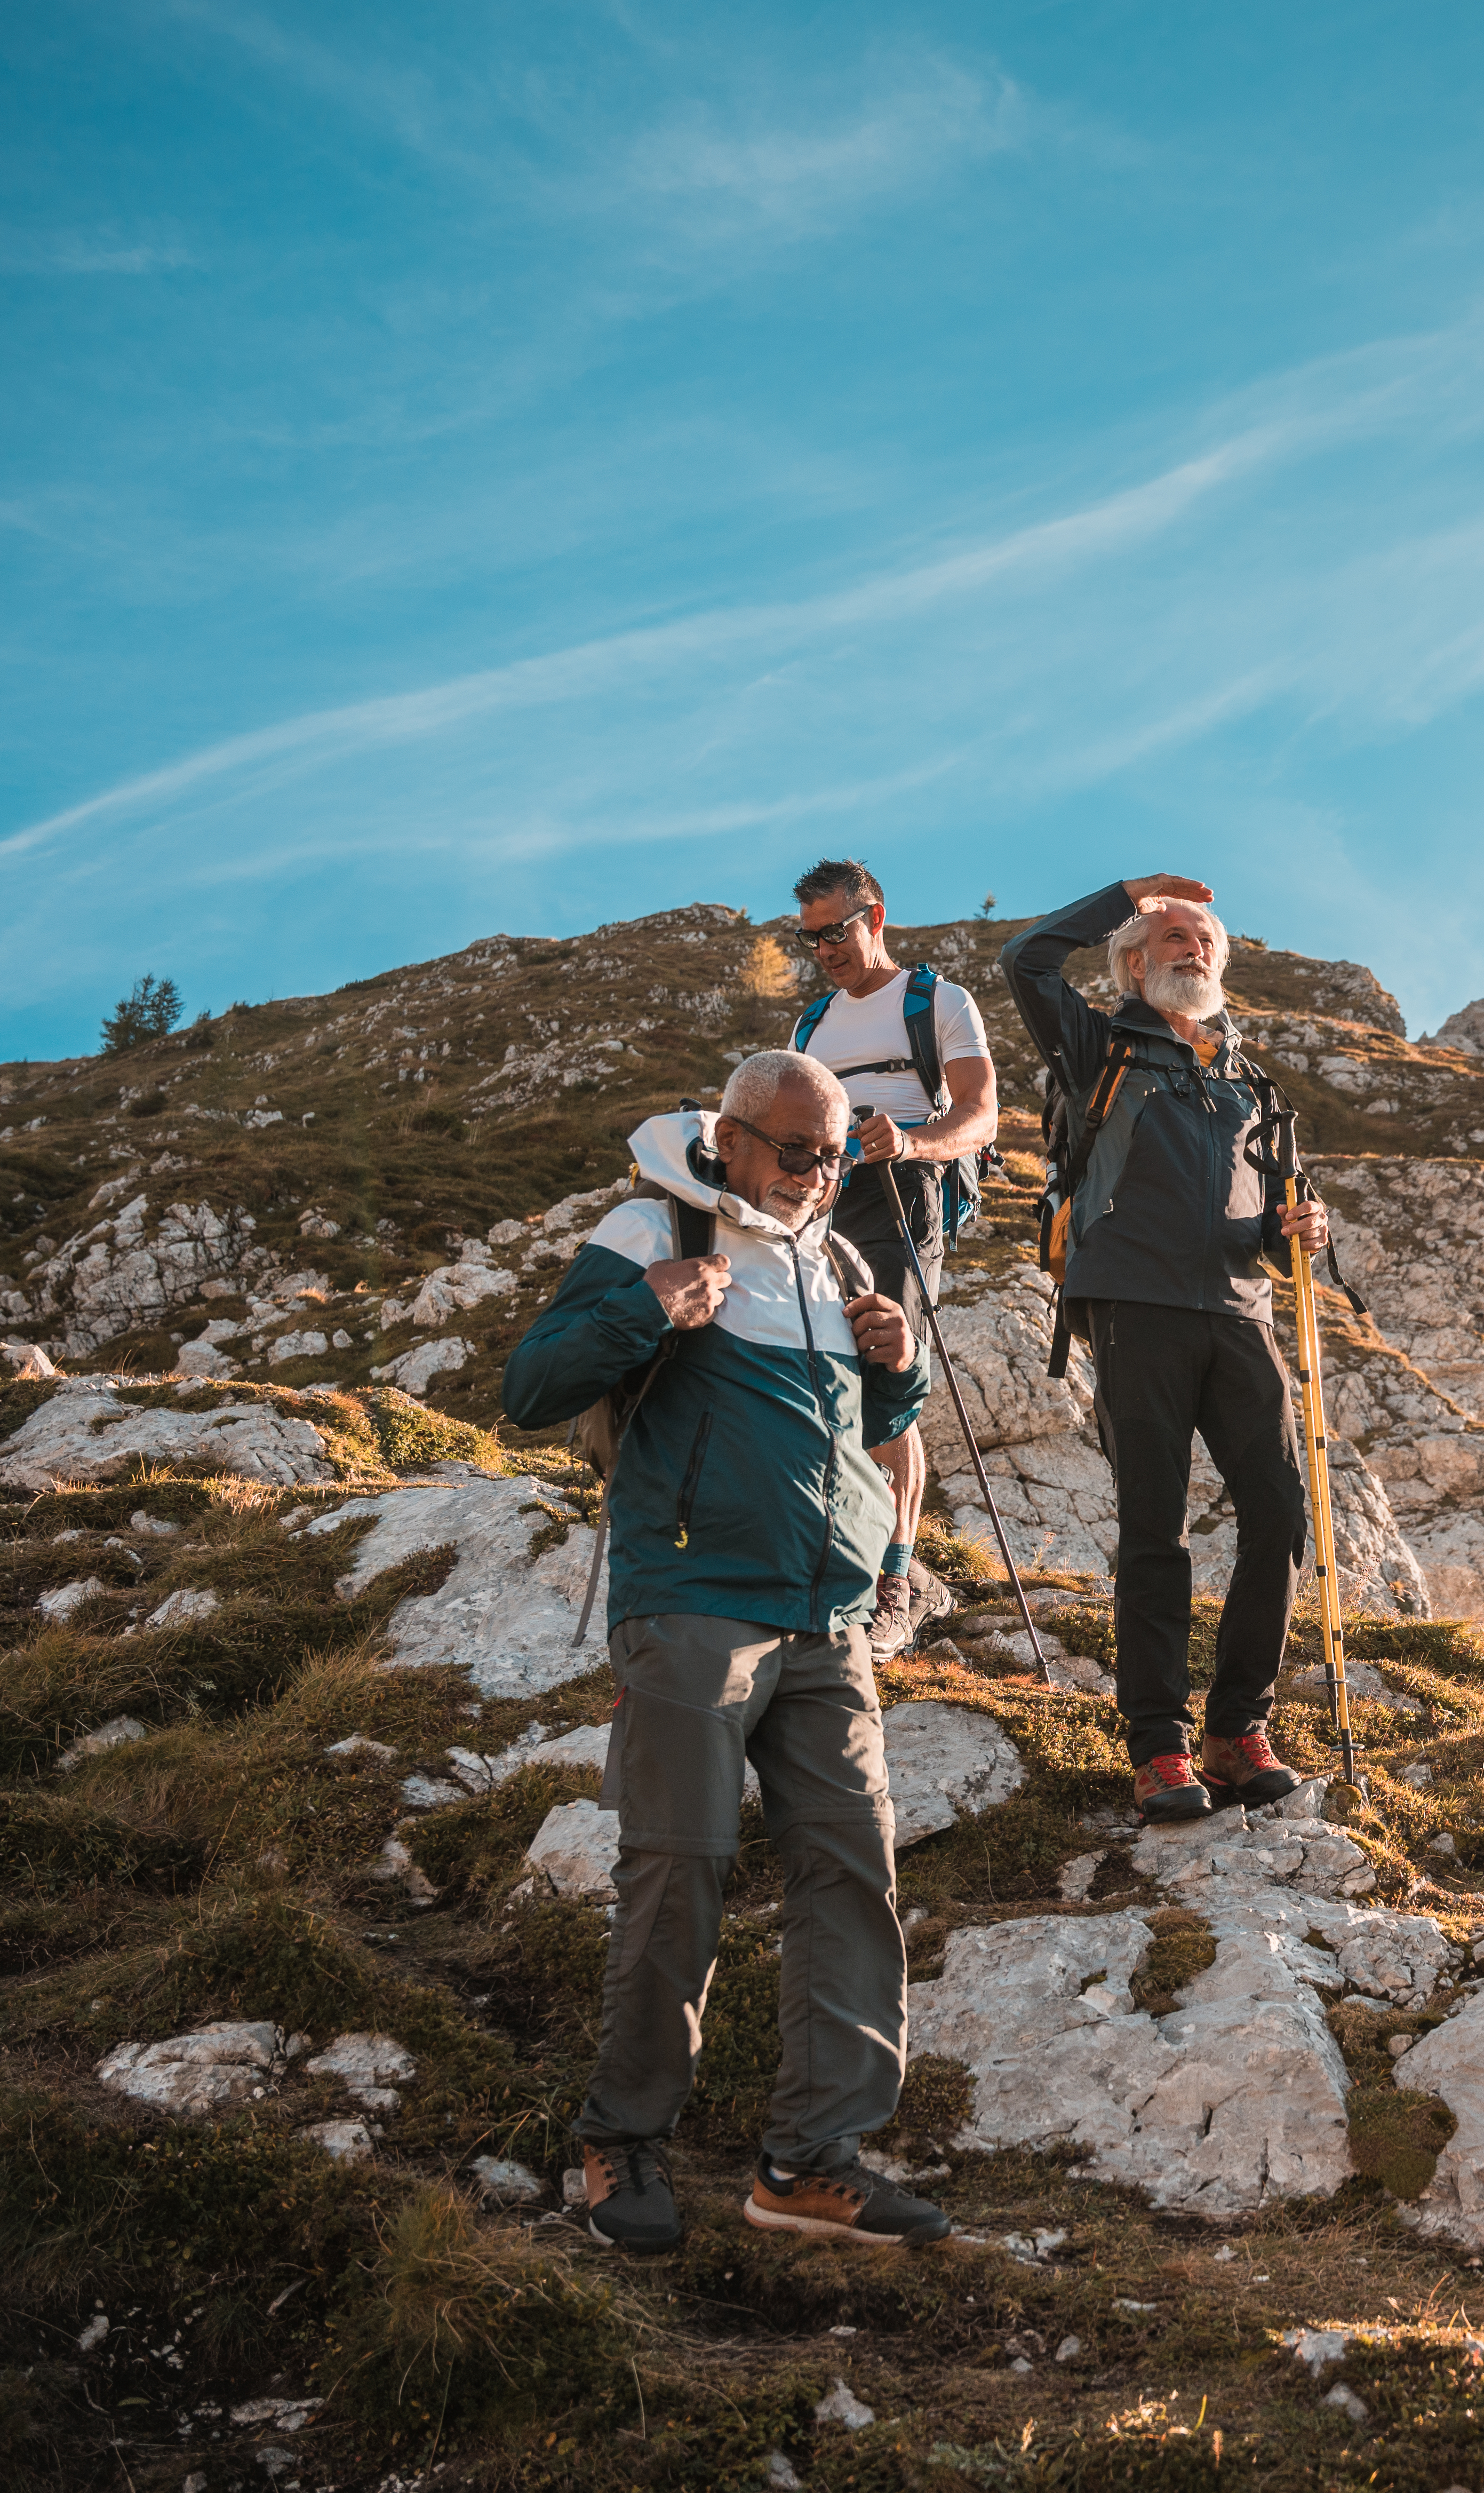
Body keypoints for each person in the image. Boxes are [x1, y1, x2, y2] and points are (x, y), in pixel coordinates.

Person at [500, 1051, 953, 2255]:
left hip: (828, 1622)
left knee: (855, 1874)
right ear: (735, 1138)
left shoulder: (841, 1258)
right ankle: (619, 2144)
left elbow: (872, 1437)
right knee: (679, 1868)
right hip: (693, 1599)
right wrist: (644, 1305)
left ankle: (812, 2162)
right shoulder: (652, 1220)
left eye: (838, 1151)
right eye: (799, 1150)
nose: (819, 1173)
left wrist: (896, 1373)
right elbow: (532, 1384)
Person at [1003, 874, 1329, 1824]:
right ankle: (1158, 1746)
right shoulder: (1096, 1045)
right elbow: (1021, 958)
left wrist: (1297, 1229)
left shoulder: (1249, 1079)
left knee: (1279, 1515)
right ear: (1135, 962)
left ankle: (1237, 1731)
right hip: (1131, 1303)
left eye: (1208, 943)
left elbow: (1267, 1221)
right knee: (1157, 1528)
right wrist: (1127, 896)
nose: (1197, 951)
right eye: (1176, 939)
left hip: (1241, 1312)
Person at [784, 859, 1002, 1653]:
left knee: (885, 1367)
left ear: (876, 917)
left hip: (902, 1193)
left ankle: (895, 1581)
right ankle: (838, 1553)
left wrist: (911, 1142)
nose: (825, 951)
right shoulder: (809, 1027)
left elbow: (981, 1115)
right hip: (818, 1201)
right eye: (810, 939)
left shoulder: (938, 1001)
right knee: (809, 1368)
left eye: (835, 932)